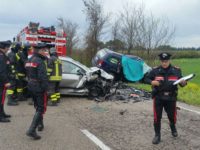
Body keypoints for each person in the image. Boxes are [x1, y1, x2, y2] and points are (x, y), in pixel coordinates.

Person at [144, 52, 187, 144]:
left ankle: (173, 127)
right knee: (157, 117)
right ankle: (157, 135)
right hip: (158, 97)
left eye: (166, 61)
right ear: (160, 61)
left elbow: (182, 82)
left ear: (169, 60)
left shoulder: (176, 70)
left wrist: (184, 83)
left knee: (172, 116)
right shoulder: (155, 70)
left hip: (171, 98)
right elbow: (146, 79)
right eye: (162, 61)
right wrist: (152, 82)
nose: (164, 63)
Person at [25, 43, 48, 140]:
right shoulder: (40, 61)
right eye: (44, 50)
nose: (45, 52)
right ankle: (31, 130)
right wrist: (45, 89)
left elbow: (27, 72)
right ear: (40, 51)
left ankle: (40, 124)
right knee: (41, 108)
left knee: (38, 106)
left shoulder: (29, 59)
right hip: (38, 87)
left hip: (31, 85)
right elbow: (42, 77)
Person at [0, 40, 12, 122]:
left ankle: (2, 113)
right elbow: (2, 71)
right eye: (7, 48)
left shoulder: (3, 55)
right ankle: (0, 117)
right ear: (4, 48)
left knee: (2, 99)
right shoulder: (2, 56)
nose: (8, 49)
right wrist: (6, 81)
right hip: (1, 82)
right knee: (1, 98)